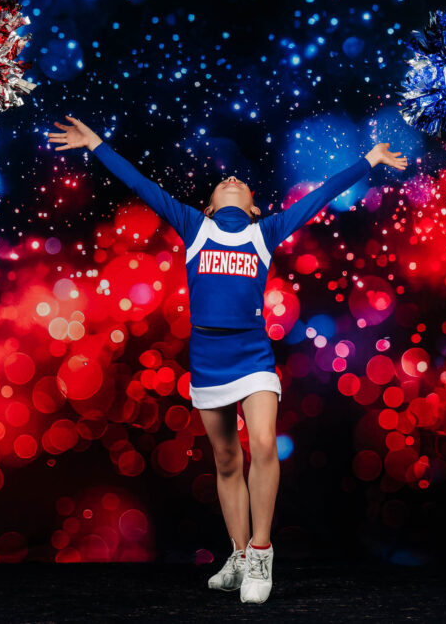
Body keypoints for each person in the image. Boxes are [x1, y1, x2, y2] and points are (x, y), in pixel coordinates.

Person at [47, 116, 409, 603]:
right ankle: (237, 556)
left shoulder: (265, 233)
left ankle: (261, 552)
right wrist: (96, 146)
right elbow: (141, 184)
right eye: (224, 182)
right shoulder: (195, 228)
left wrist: (369, 160)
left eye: (240, 182)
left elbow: (320, 196)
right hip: (209, 360)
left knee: (262, 443)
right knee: (224, 459)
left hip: (254, 356)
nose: (233, 181)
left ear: (255, 207)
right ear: (209, 205)